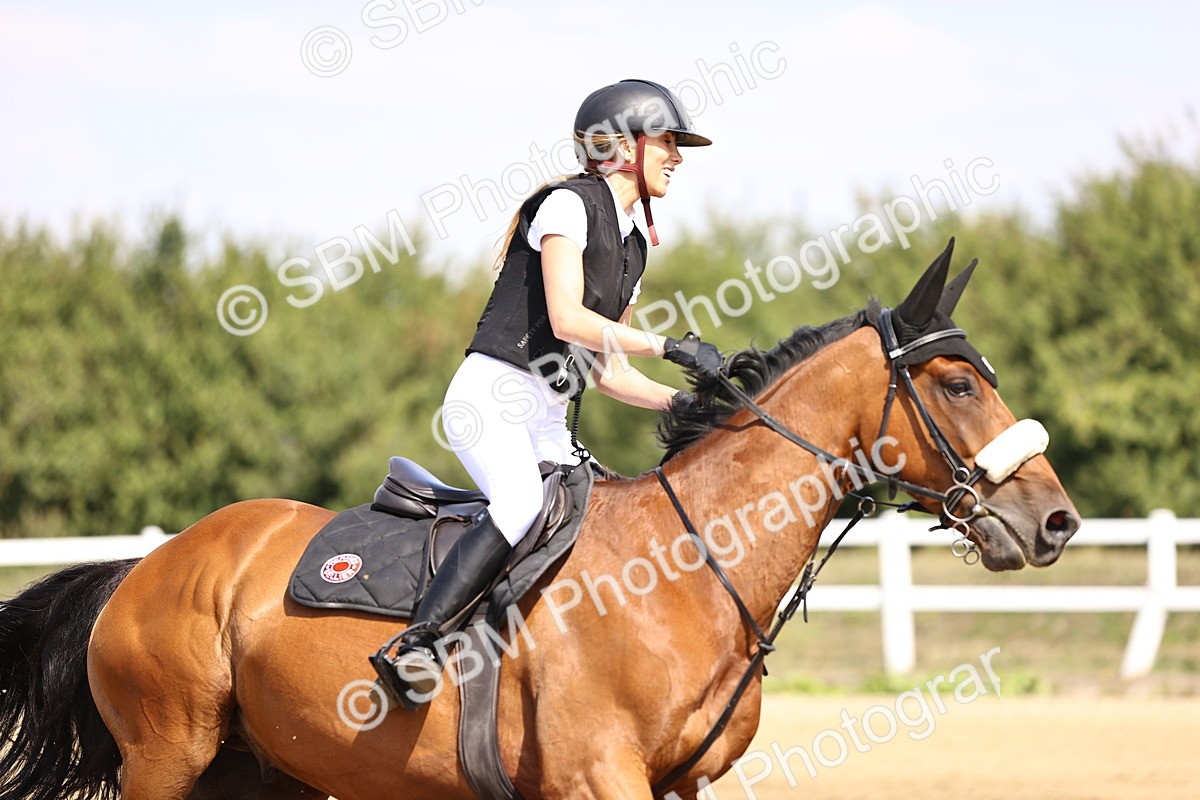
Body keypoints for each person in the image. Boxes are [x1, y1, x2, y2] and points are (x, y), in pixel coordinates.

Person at [377, 79, 724, 707]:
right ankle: (416, 644)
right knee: (519, 505)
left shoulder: (633, 245)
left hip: (547, 419)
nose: (678, 156)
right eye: (668, 141)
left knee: (604, 516)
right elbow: (567, 319)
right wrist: (670, 346)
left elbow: (607, 371)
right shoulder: (567, 206)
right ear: (625, 147)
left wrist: (684, 403)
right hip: (492, 400)